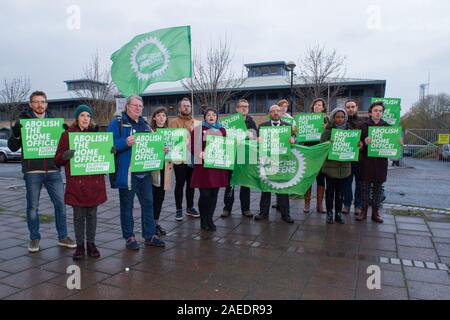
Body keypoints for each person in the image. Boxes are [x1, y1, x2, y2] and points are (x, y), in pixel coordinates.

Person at [8, 91, 76, 253]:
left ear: (46, 104)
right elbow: (12, 147)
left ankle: (63, 236)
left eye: (42, 101)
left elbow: (64, 147)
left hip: (53, 171)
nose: (40, 105)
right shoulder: (23, 122)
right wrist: (17, 134)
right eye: (36, 102)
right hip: (32, 171)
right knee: (32, 207)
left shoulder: (54, 122)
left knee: (60, 205)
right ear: (30, 104)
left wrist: (67, 133)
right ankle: (34, 238)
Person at [107, 95, 165, 249]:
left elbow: (153, 146)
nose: (138, 108)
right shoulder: (118, 123)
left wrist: (161, 149)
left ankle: (150, 235)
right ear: (127, 106)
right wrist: (125, 142)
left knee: (148, 204)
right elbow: (108, 146)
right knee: (127, 206)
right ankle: (130, 237)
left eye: (140, 106)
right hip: (128, 173)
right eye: (135, 105)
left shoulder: (145, 124)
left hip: (144, 172)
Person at [54, 104, 106, 260]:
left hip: (94, 182)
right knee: (78, 216)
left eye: (88, 116)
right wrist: (65, 155)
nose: (85, 118)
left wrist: (111, 152)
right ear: (77, 118)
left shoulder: (96, 135)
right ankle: (80, 246)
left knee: (92, 215)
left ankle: (91, 244)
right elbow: (57, 159)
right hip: (77, 184)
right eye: (82, 115)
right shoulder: (67, 135)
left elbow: (104, 158)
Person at [356, 101, 403, 223]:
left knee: (378, 188)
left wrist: (399, 143)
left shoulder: (388, 128)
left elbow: (393, 146)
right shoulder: (363, 126)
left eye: (380, 111)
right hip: (366, 162)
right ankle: (363, 211)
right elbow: (357, 146)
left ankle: (375, 213)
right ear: (370, 113)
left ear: (382, 113)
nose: (378, 113)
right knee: (365, 188)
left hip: (381, 163)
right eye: (375, 110)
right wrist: (363, 143)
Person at [254, 105, 296, 224]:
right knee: (265, 188)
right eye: (273, 111)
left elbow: (294, 141)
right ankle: (263, 213)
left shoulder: (287, 126)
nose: (275, 113)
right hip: (267, 161)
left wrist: (293, 140)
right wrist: (257, 141)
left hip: (282, 161)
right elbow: (257, 143)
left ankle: (285, 214)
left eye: (277, 111)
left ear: (281, 113)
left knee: (282, 188)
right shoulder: (262, 126)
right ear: (269, 113)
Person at [190, 108, 229, 231]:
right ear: (205, 117)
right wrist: (199, 153)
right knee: (205, 195)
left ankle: (210, 218)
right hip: (203, 167)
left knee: (214, 194)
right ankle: (203, 219)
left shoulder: (222, 130)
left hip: (217, 166)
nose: (211, 116)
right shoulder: (198, 129)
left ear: (217, 117)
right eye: (208, 115)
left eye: (214, 115)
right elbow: (191, 145)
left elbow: (227, 146)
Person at [222, 99, 257, 218]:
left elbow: (256, 136)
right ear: (236, 108)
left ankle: (246, 209)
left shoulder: (251, 121)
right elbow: (223, 136)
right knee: (230, 184)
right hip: (232, 155)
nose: (244, 109)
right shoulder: (230, 121)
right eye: (242, 106)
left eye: (246, 107)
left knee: (245, 183)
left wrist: (252, 135)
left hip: (246, 156)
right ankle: (227, 208)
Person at [320, 108, 354, 224]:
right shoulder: (327, 132)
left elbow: (353, 147)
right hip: (331, 167)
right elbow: (322, 147)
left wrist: (358, 145)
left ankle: (338, 213)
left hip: (344, 167)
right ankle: (329, 213)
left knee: (340, 193)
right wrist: (328, 144)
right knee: (330, 192)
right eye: (337, 117)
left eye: (342, 117)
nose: (340, 119)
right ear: (333, 118)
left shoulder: (350, 131)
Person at [168, 98, 200, 221]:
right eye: (184, 106)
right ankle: (178, 209)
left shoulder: (196, 122)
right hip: (179, 158)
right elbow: (170, 139)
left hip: (192, 157)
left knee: (191, 184)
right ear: (180, 108)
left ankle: (190, 207)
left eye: (188, 106)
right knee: (180, 184)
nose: (186, 107)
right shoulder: (173, 122)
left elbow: (200, 140)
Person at [302, 98, 329, 214]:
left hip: (321, 153)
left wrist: (326, 129)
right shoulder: (305, 118)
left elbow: (332, 135)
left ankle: (319, 205)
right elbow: (300, 136)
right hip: (309, 152)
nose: (317, 107)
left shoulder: (327, 120)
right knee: (308, 178)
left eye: (320, 105)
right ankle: (306, 204)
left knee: (321, 179)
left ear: (323, 108)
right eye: (315, 105)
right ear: (312, 107)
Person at [150, 107, 173, 236]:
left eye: (163, 115)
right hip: (153, 168)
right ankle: (150, 224)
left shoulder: (170, 132)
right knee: (152, 198)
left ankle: (155, 222)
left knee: (160, 198)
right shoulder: (150, 132)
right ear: (154, 118)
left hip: (165, 168)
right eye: (158, 115)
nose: (161, 117)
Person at [342, 99, 364, 215]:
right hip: (346, 157)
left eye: (352, 107)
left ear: (356, 108)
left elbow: (366, 140)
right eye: (348, 107)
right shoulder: (342, 122)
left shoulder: (363, 122)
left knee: (359, 183)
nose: (350, 109)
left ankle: (358, 205)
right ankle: (346, 204)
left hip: (360, 158)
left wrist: (362, 144)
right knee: (346, 182)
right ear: (345, 109)